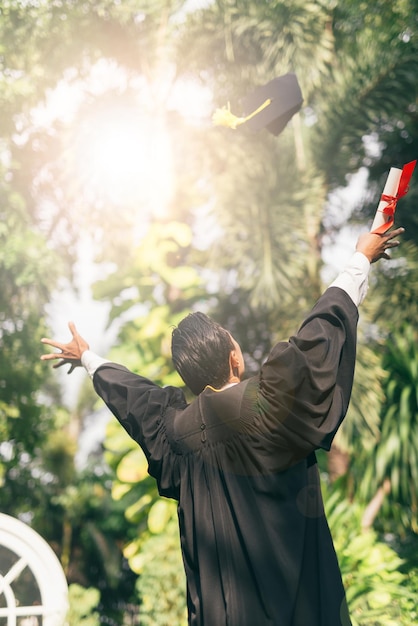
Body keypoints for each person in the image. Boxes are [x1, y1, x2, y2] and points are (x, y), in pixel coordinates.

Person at [41, 227, 404, 626]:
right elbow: (318, 334)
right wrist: (360, 258)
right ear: (235, 357)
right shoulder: (270, 403)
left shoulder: (175, 434)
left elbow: (135, 398)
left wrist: (89, 358)